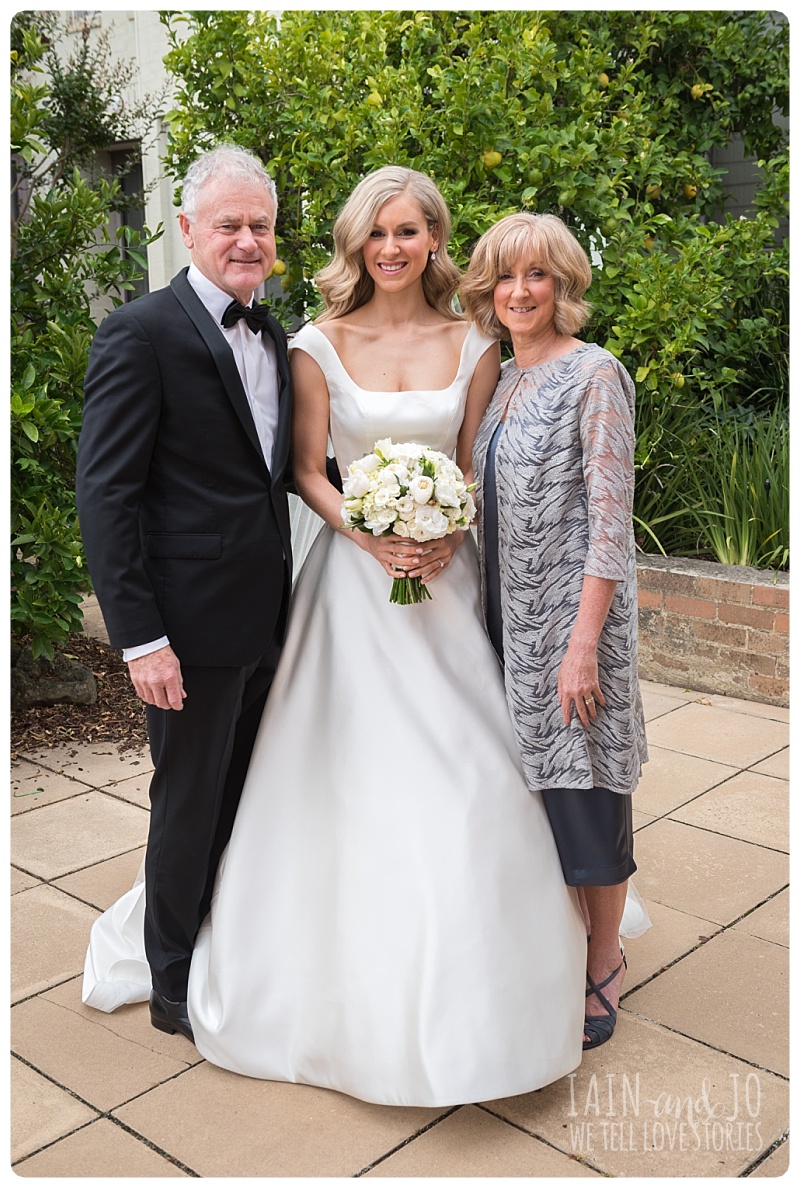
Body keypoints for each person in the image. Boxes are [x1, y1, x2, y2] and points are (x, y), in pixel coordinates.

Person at [76, 144, 295, 1044]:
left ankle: (220, 940)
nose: (246, 240)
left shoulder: (275, 332)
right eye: (229, 224)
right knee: (189, 798)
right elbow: (107, 495)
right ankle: (171, 979)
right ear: (186, 229)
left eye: (260, 226)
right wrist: (140, 639)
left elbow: (273, 472)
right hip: (187, 633)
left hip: (267, 619)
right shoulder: (141, 332)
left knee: (243, 793)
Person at [462, 212, 649, 1050]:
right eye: (506, 276)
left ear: (563, 284)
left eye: (537, 275)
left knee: (588, 792)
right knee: (538, 794)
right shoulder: (502, 380)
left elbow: (612, 522)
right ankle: (562, 942)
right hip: (511, 621)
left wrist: (582, 644)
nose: (520, 292)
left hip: (576, 628)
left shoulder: (594, 374)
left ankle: (604, 963)